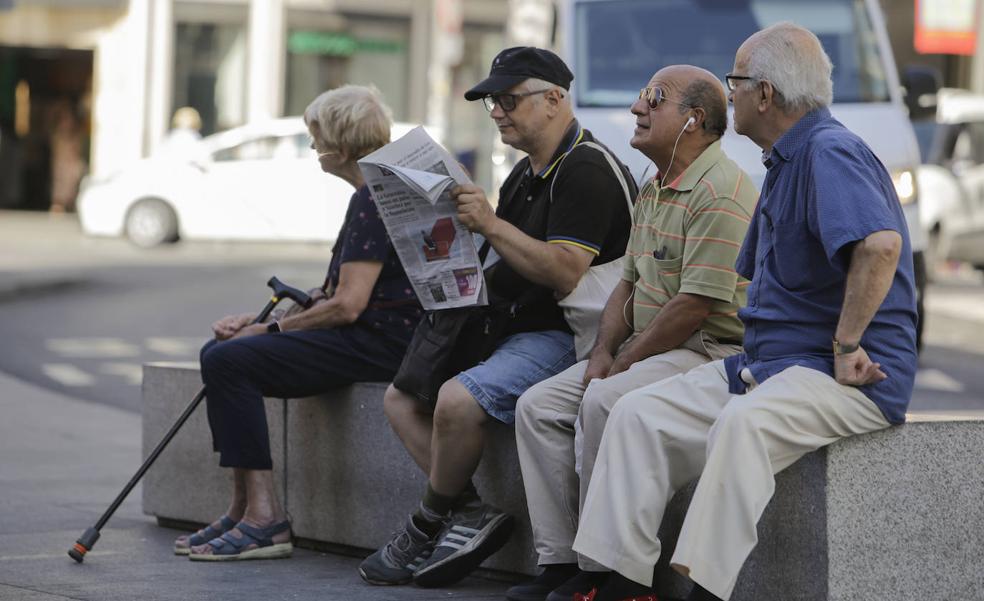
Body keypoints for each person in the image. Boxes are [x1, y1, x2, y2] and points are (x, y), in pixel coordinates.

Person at [571, 22, 918, 601]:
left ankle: (702, 591)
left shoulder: (829, 151)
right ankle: (622, 586)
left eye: (734, 82)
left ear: (765, 94)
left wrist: (849, 345)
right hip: (772, 364)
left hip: (844, 374)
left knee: (742, 424)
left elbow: (880, 246)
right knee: (636, 413)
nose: (727, 95)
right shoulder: (785, 159)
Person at [359, 47, 635, 587]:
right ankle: (467, 513)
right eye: (492, 103)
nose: (498, 112)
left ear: (555, 99)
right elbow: (499, 254)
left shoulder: (585, 169)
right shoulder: (526, 172)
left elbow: (564, 273)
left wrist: (487, 222)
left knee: (458, 400)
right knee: (400, 398)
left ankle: (426, 521)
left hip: (569, 333)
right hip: (507, 322)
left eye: (509, 99)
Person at [508, 65, 758, 601]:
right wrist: (602, 350)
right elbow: (625, 285)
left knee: (605, 401)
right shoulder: (655, 183)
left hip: (705, 351)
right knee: (536, 407)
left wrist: (622, 363)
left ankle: (611, 575)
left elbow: (694, 306)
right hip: (647, 347)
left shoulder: (722, 191)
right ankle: (560, 562)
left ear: (692, 120)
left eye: (654, 99)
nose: (636, 108)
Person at [175, 85, 423, 561]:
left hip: (379, 344)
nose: (312, 148)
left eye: (317, 138)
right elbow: (339, 292)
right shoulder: (382, 189)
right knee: (219, 353)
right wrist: (265, 318)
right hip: (378, 335)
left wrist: (268, 331)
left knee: (230, 362)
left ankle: (266, 519)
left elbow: (349, 306)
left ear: (341, 149)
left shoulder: (373, 198)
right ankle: (242, 507)